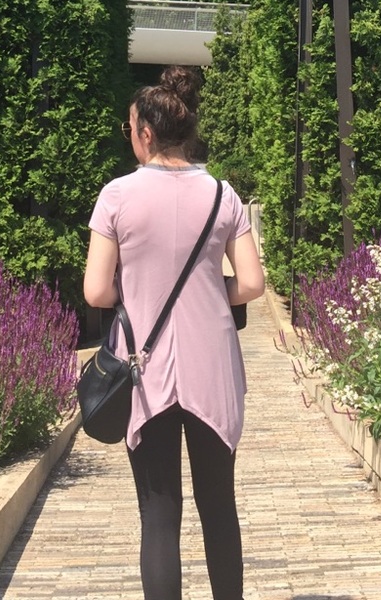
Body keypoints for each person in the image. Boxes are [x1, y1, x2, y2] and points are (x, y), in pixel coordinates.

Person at [84, 65, 265, 600]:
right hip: (214, 369)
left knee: (158, 517)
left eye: (128, 129)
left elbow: (96, 291)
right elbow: (252, 283)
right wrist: (210, 294)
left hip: (146, 369)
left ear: (144, 132)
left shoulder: (116, 196)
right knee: (219, 508)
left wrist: (140, 291)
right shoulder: (223, 196)